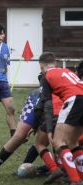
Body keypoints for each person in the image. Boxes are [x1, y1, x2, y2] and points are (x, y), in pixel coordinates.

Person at [38, 52, 83, 185]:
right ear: (56, 64)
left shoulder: (46, 76)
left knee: (58, 142)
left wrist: (50, 129)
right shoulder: (66, 70)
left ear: (41, 67)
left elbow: (47, 105)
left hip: (74, 100)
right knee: (73, 142)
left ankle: (75, 181)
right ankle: (80, 177)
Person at [0, 74, 43, 176]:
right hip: (36, 101)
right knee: (20, 137)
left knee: (45, 141)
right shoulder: (39, 92)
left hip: (59, 106)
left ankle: (53, 169)